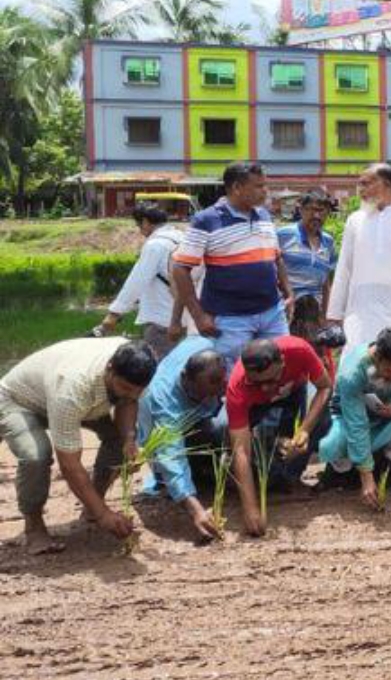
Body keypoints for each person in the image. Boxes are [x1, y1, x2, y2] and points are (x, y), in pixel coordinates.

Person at [0, 339, 156, 554]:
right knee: (36, 456)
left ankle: (93, 504)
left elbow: (128, 401)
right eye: (125, 387)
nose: (131, 394)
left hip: (77, 401)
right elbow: (70, 465)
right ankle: (34, 527)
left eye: (137, 391)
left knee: (118, 441)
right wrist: (104, 515)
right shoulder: (73, 388)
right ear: (110, 369)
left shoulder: (136, 366)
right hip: (20, 401)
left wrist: (129, 438)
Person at [172, 161, 295, 369]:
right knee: (235, 375)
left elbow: (276, 258)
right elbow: (180, 269)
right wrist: (198, 315)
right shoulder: (206, 220)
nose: (265, 191)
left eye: (265, 185)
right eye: (258, 186)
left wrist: (289, 292)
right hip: (231, 320)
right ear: (236, 188)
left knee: (281, 368)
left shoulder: (264, 216)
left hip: (272, 313)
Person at [224, 337, 333, 536]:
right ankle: (272, 475)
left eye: (270, 380)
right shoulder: (238, 388)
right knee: (261, 440)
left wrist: (305, 430)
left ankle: (289, 477)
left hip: (293, 392)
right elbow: (241, 450)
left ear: (282, 361)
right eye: (257, 382)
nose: (265, 387)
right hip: (257, 407)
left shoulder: (299, 350)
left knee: (321, 423)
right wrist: (250, 508)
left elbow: (325, 387)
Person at [317, 327, 391, 510]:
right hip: (351, 416)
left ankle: (389, 464)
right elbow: (356, 425)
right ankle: (342, 472)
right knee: (332, 445)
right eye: (390, 372)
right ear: (377, 358)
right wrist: (366, 479)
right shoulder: (352, 374)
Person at [326, 164, 391, 352]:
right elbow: (344, 268)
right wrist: (334, 313)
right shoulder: (355, 220)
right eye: (360, 185)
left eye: (366, 184)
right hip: (359, 309)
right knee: (357, 358)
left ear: (387, 185)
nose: (361, 190)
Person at [137, 337, 228, 540]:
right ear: (187, 379)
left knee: (222, 426)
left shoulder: (205, 347)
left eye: (222, 380)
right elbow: (172, 456)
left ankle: (208, 470)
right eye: (213, 384)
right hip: (160, 430)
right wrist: (196, 510)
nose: (222, 386)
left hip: (199, 416)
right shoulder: (165, 405)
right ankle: (189, 480)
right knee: (170, 463)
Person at [95, 203, 185, 359]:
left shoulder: (155, 245)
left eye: (138, 225)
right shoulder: (182, 239)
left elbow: (136, 282)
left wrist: (114, 314)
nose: (140, 230)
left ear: (145, 222)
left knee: (157, 370)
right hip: (187, 319)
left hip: (162, 320)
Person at [277, 188, 337, 308]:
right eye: (312, 210)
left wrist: (325, 315)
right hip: (286, 309)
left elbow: (326, 283)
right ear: (301, 210)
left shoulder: (328, 241)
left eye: (321, 211)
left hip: (313, 314)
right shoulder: (283, 235)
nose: (317, 216)